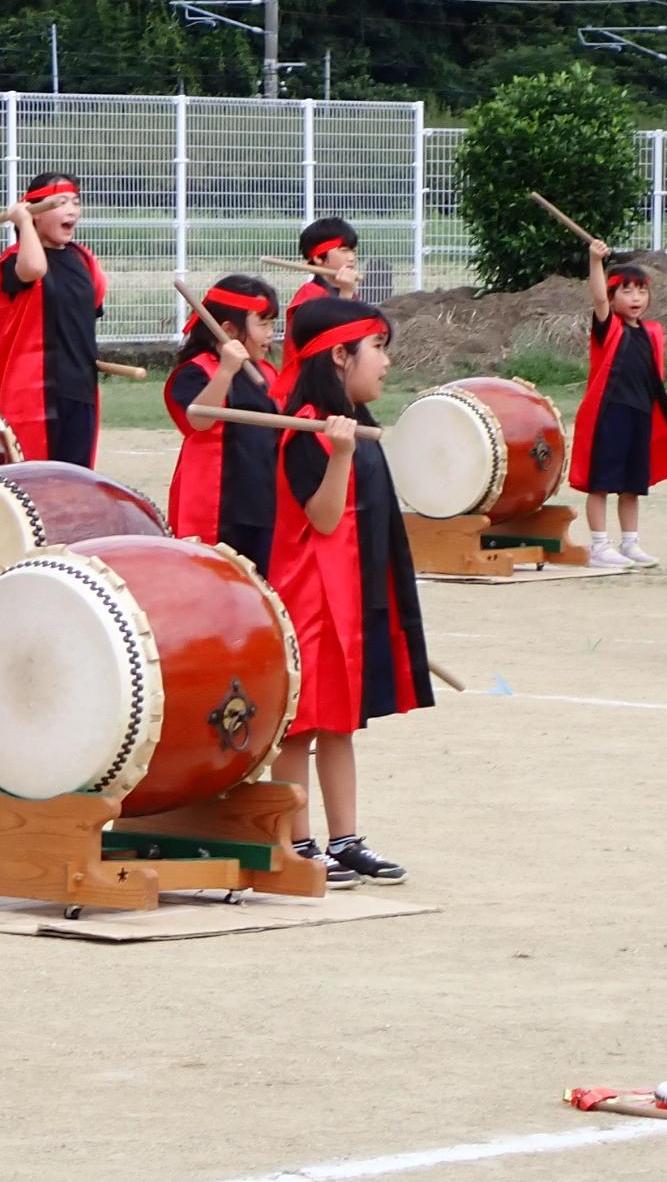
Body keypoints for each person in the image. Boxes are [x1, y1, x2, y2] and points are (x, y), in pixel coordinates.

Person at [265, 296, 434, 889]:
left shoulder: (354, 427)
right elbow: (325, 518)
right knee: (301, 724)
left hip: (345, 595)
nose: (386, 362)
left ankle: (345, 839)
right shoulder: (307, 428)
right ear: (339, 355)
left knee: (339, 722)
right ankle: (298, 840)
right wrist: (337, 454)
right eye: (378, 348)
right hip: (308, 597)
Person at [569, 243, 667, 568]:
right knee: (601, 484)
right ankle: (600, 546)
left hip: (639, 414)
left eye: (641, 291)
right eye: (626, 292)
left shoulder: (652, 332)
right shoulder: (608, 328)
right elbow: (598, 298)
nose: (636, 298)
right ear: (613, 299)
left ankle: (630, 543)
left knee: (632, 486)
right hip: (610, 415)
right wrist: (595, 260)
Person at [163, 275, 281, 575]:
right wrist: (226, 371)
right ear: (228, 330)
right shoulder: (197, 371)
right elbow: (198, 420)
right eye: (263, 324)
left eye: (272, 324)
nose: (271, 334)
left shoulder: (266, 372)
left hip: (263, 501)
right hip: (219, 506)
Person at [0, 171, 106, 465]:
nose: (71, 210)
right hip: (32, 393)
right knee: (34, 480)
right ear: (37, 213)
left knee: (75, 483)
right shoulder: (13, 261)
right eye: (60, 202)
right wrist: (24, 222)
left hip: (79, 388)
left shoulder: (85, 261)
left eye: (75, 203)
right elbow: (34, 270)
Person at [286, 216, 362, 319]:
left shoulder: (348, 291)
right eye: (344, 251)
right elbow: (331, 331)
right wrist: (346, 295)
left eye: (353, 252)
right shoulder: (309, 296)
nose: (352, 258)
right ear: (318, 257)